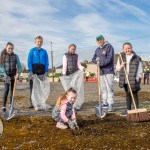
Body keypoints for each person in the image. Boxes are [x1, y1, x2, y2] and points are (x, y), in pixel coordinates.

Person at [116, 42, 142, 116]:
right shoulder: (121, 57)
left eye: (129, 48)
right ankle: (128, 110)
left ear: (131, 48)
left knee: (134, 94)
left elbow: (140, 69)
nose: (127, 50)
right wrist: (121, 65)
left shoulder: (136, 58)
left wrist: (137, 78)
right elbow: (117, 68)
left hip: (134, 79)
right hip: (125, 79)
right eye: (126, 49)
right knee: (127, 94)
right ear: (123, 49)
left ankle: (136, 110)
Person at [92, 35, 114, 112]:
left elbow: (109, 59)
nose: (99, 41)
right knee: (103, 88)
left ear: (103, 39)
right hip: (101, 72)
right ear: (97, 41)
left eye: (101, 40)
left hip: (108, 71)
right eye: (98, 40)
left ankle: (110, 103)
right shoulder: (97, 50)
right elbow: (93, 59)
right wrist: (96, 61)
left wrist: (100, 63)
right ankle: (104, 102)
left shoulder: (109, 47)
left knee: (109, 88)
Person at [0, 42, 22, 115]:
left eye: (12, 48)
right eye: (9, 48)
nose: (10, 49)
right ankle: (3, 106)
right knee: (6, 90)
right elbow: (1, 67)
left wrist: (18, 74)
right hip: (7, 77)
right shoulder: (3, 56)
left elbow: (19, 66)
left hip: (14, 77)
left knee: (12, 91)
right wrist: (5, 75)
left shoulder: (16, 56)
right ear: (6, 48)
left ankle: (11, 105)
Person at [27, 36, 49, 108]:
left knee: (40, 88)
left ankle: (39, 102)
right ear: (35, 42)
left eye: (41, 42)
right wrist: (30, 71)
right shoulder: (32, 50)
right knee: (32, 88)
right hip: (33, 71)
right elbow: (29, 61)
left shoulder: (44, 52)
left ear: (42, 42)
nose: (39, 43)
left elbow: (47, 62)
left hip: (42, 71)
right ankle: (31, 102)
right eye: (38, 41)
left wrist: (46, 71)